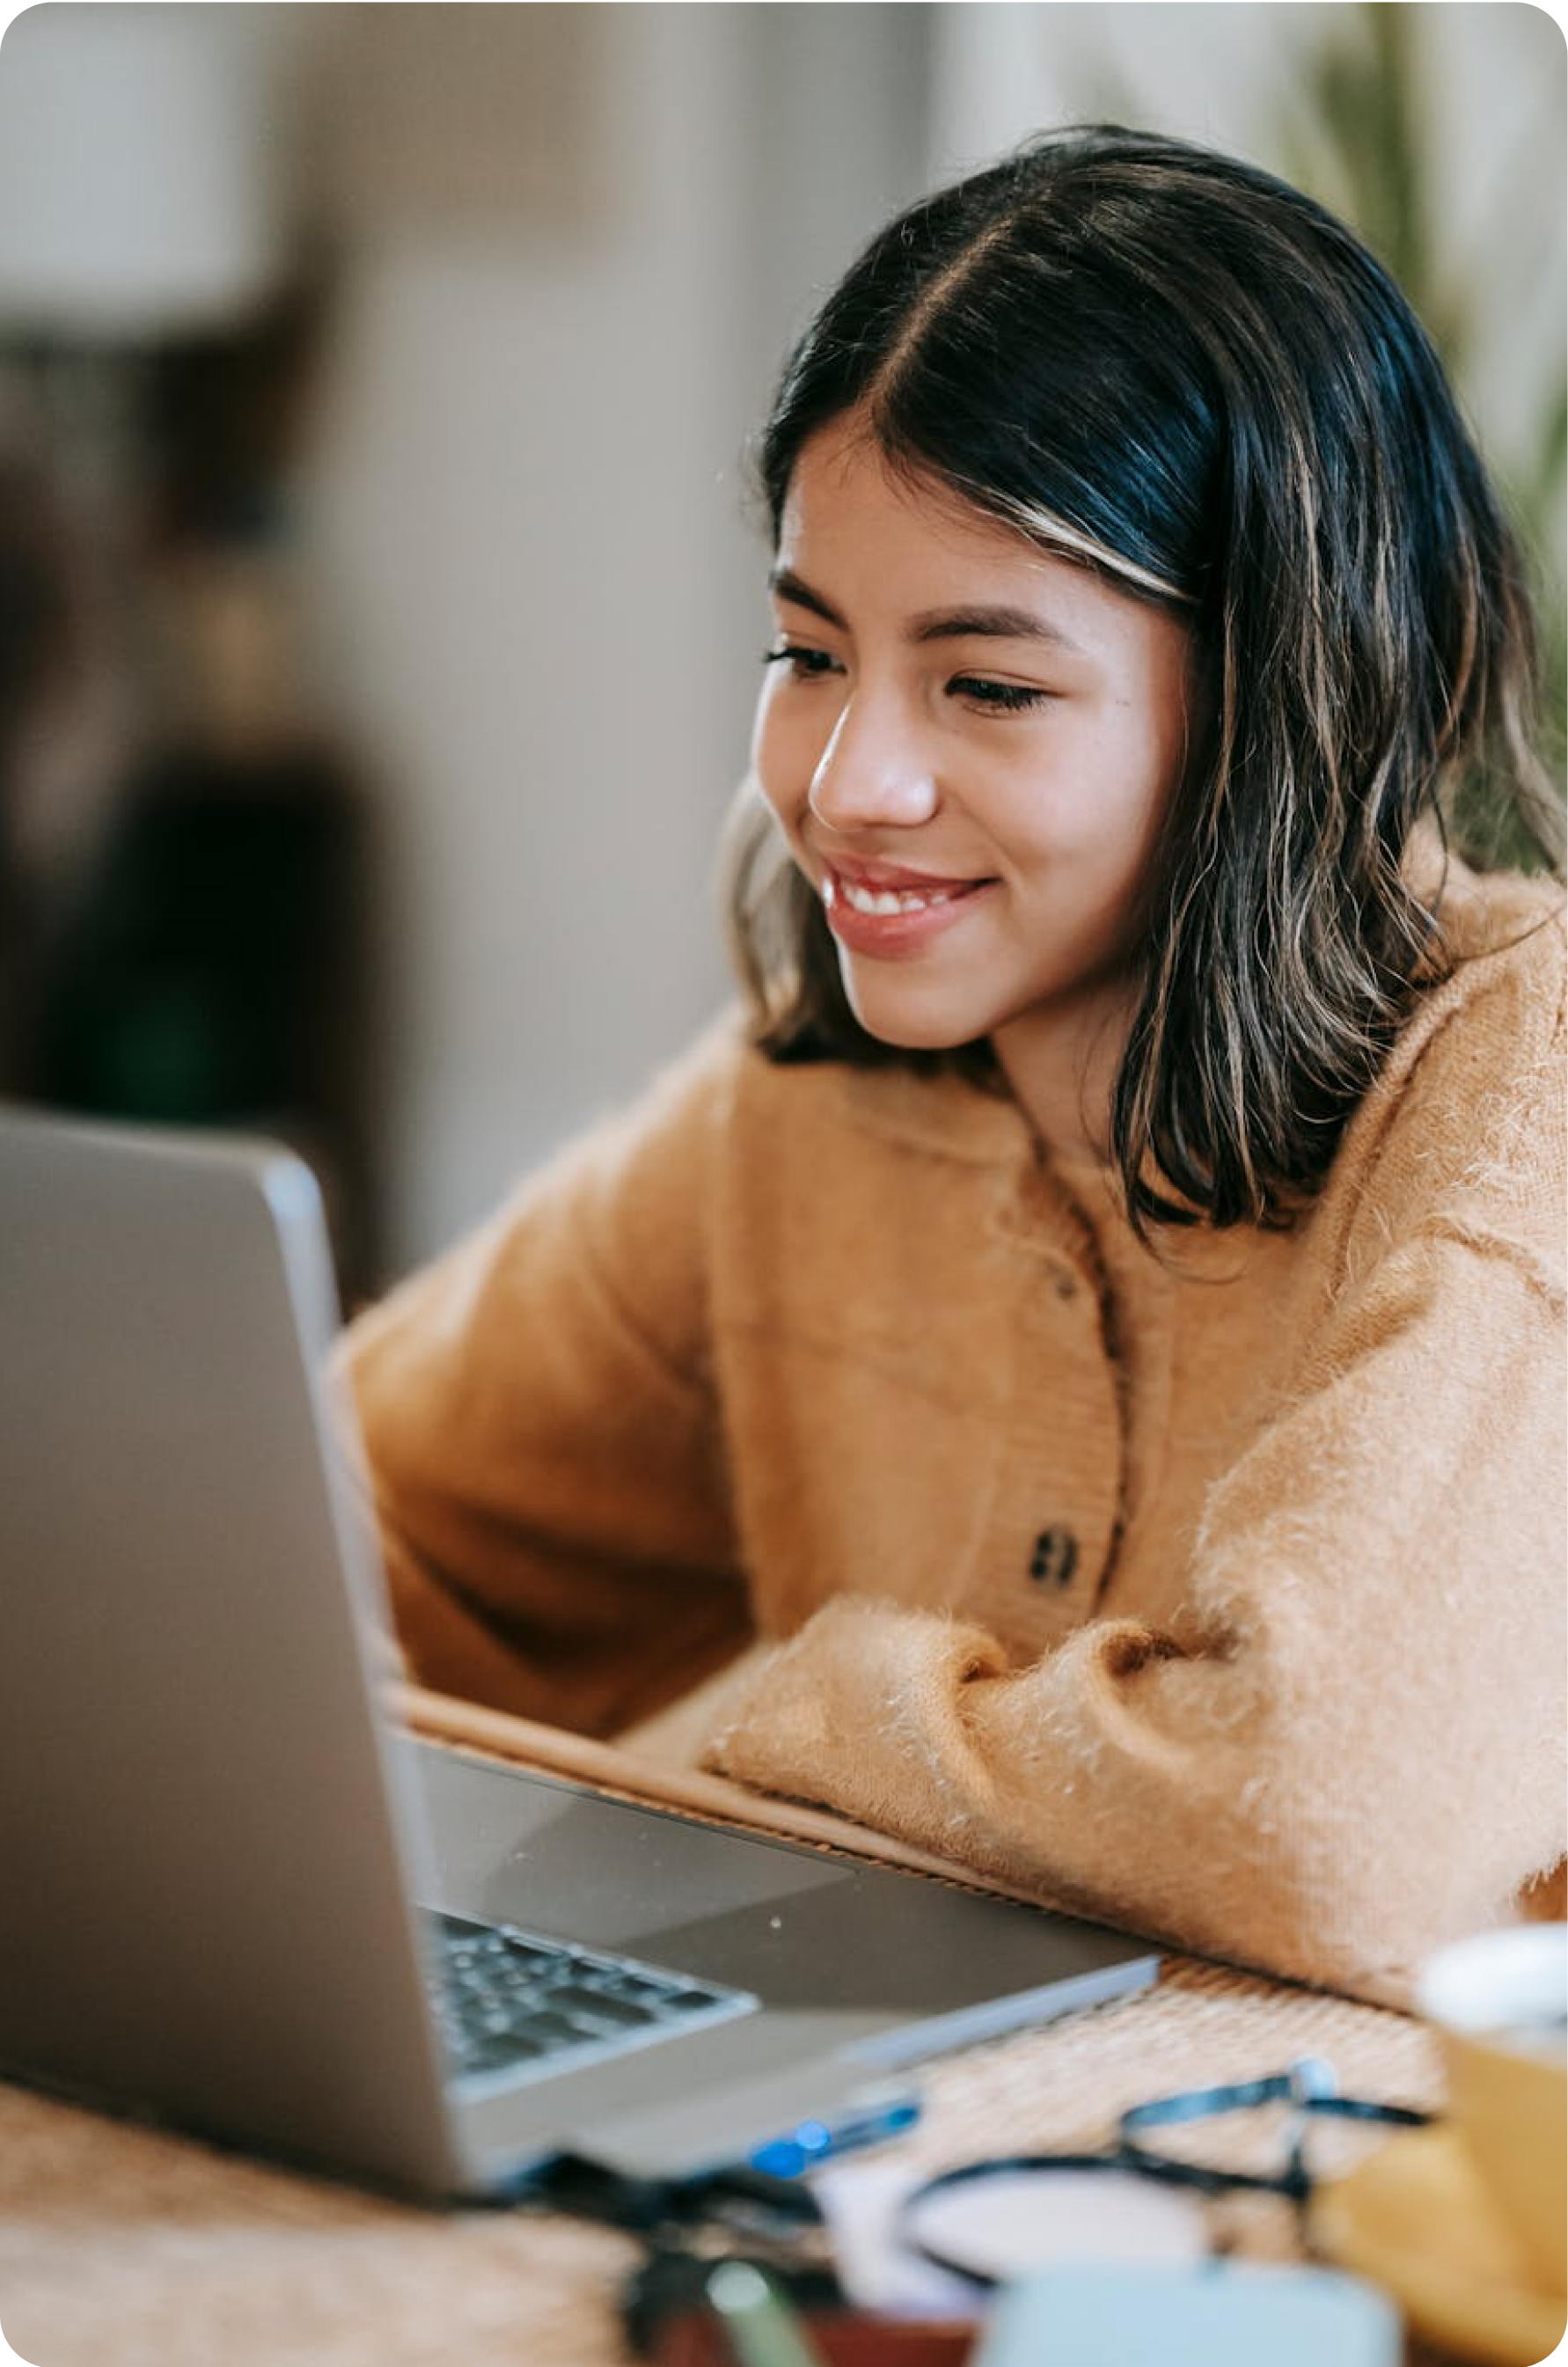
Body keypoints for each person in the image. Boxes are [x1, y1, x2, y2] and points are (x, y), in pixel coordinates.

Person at [341, 127, 1568, 2008]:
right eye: (808, 650)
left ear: (1283, 695)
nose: (846, 787)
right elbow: (338, 1518)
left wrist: (791, 1699)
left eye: (985, 684)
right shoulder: (810, 1109)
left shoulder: (1521, 1073)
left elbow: (1317, 1822)